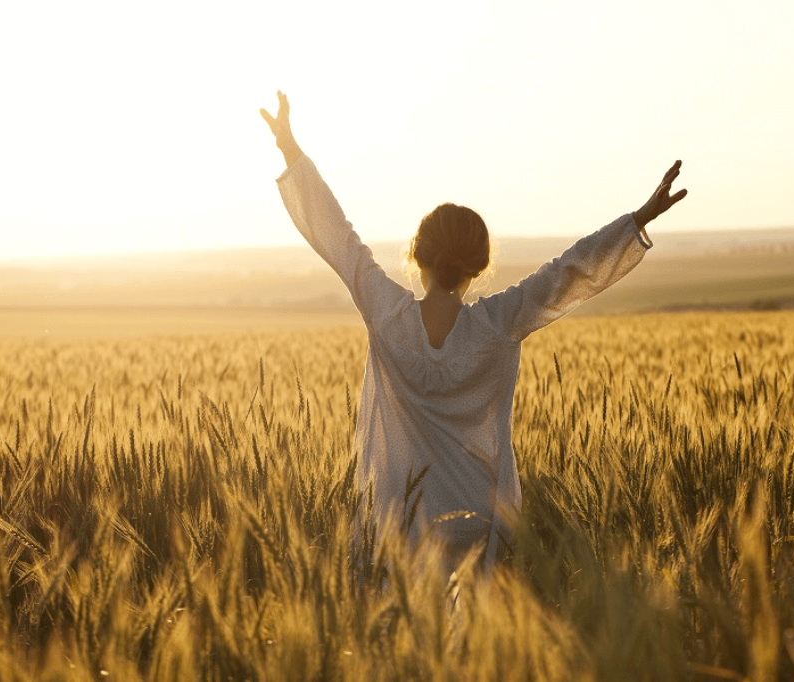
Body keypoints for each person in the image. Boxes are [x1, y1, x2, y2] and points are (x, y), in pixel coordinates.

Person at [260, 91, 686, 578]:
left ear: (418, 258)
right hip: (479, 526)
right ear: (477, 267)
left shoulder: (386, 315)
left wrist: (291, 149)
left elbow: (339, 238)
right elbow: (569, 272)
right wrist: (637, 221)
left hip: (401, 526)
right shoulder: (498, 325)